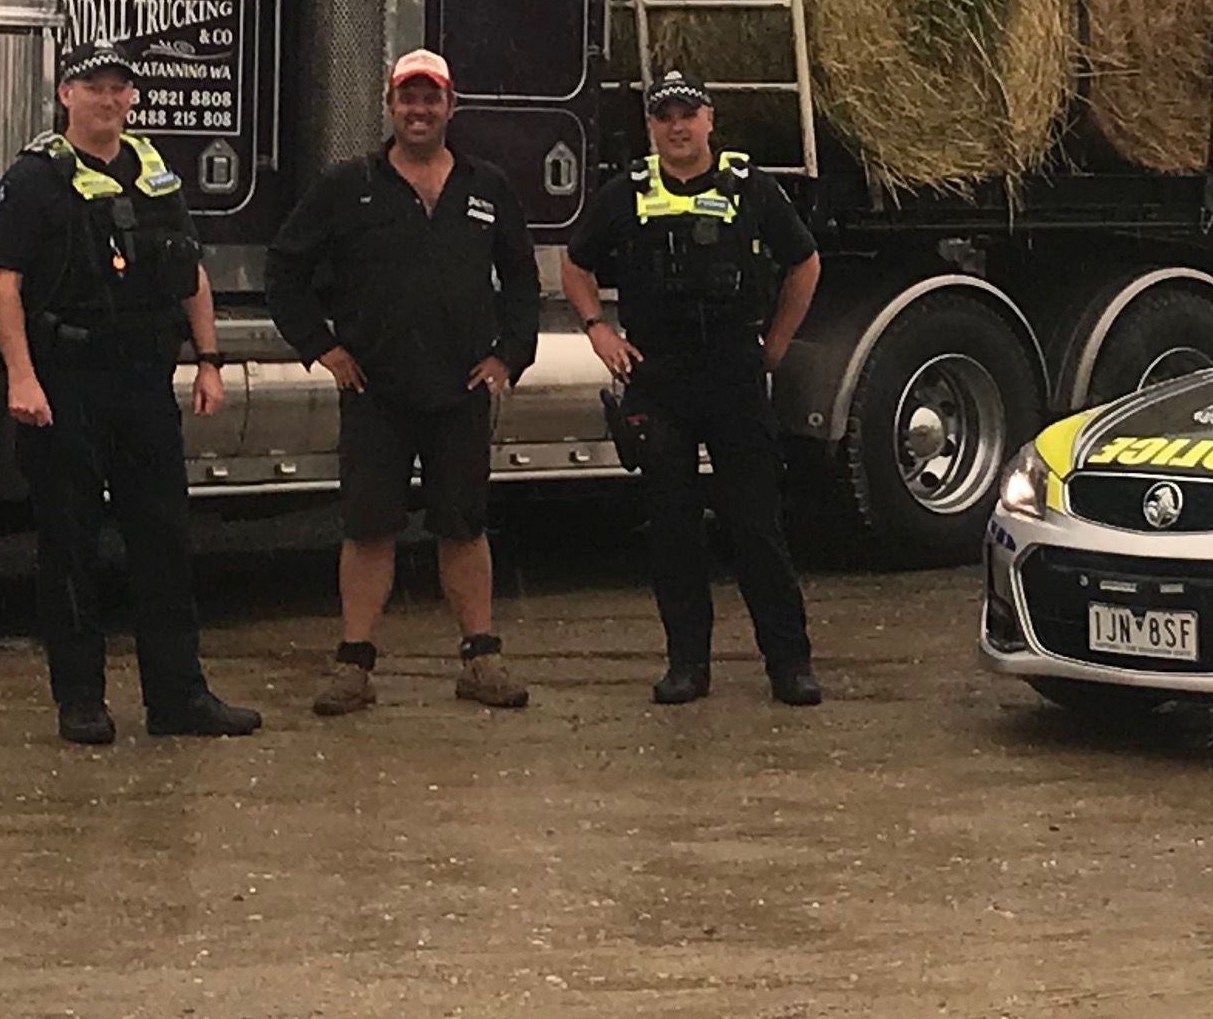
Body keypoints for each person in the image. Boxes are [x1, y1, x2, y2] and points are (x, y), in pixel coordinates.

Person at [0, 41, 256, 745]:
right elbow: (3, 284)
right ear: (65, 95)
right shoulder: (35, 178)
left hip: (143, 379)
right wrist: (21, 377)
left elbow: (189, 270)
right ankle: (81, 700)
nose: (108, 99)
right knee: (70, 546)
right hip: (67, 380)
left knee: (163, 541)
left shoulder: (154, 171)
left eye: (119, 88)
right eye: (93, 87)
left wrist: (210, 359)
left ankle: (179, 697)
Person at [269, 50, 541, 717]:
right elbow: (285, 270)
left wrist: (509, 355)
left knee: (464, 526)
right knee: (368, 530)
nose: (419, 111)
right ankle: (354, 666)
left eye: (432, 99)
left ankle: (482, 657)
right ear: (389, 107)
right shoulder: (349, 186)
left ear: (451, 107)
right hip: (376, 393)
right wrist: (323, 348)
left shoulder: (487, 187)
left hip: (459, 392)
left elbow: (524, 281)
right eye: (407, 99)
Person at [556, 69, 824, 706]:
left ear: (709, 120)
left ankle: (789, 664)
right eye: (664, 116)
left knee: (756, 527)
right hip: (660, 378)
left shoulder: (751, 188)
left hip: (733, 374)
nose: (677, 126)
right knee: (673, 530)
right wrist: (598, 330)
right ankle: (687, 666)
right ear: (651, 128)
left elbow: (804, 261)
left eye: (688, 113)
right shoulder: (626, 194)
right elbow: (575, 263)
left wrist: (777, 343)